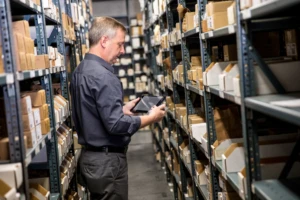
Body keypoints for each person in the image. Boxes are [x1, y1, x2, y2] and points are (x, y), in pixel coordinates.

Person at [70, 17, 166, 200]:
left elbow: (91, 110)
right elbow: (115, 125)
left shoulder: (80, 70)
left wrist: (121, 108)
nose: (122, 51)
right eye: (120, 45)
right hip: (107, 164)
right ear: (104, 40)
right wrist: (151, 118)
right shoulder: (104, 76)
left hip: (91, 160)